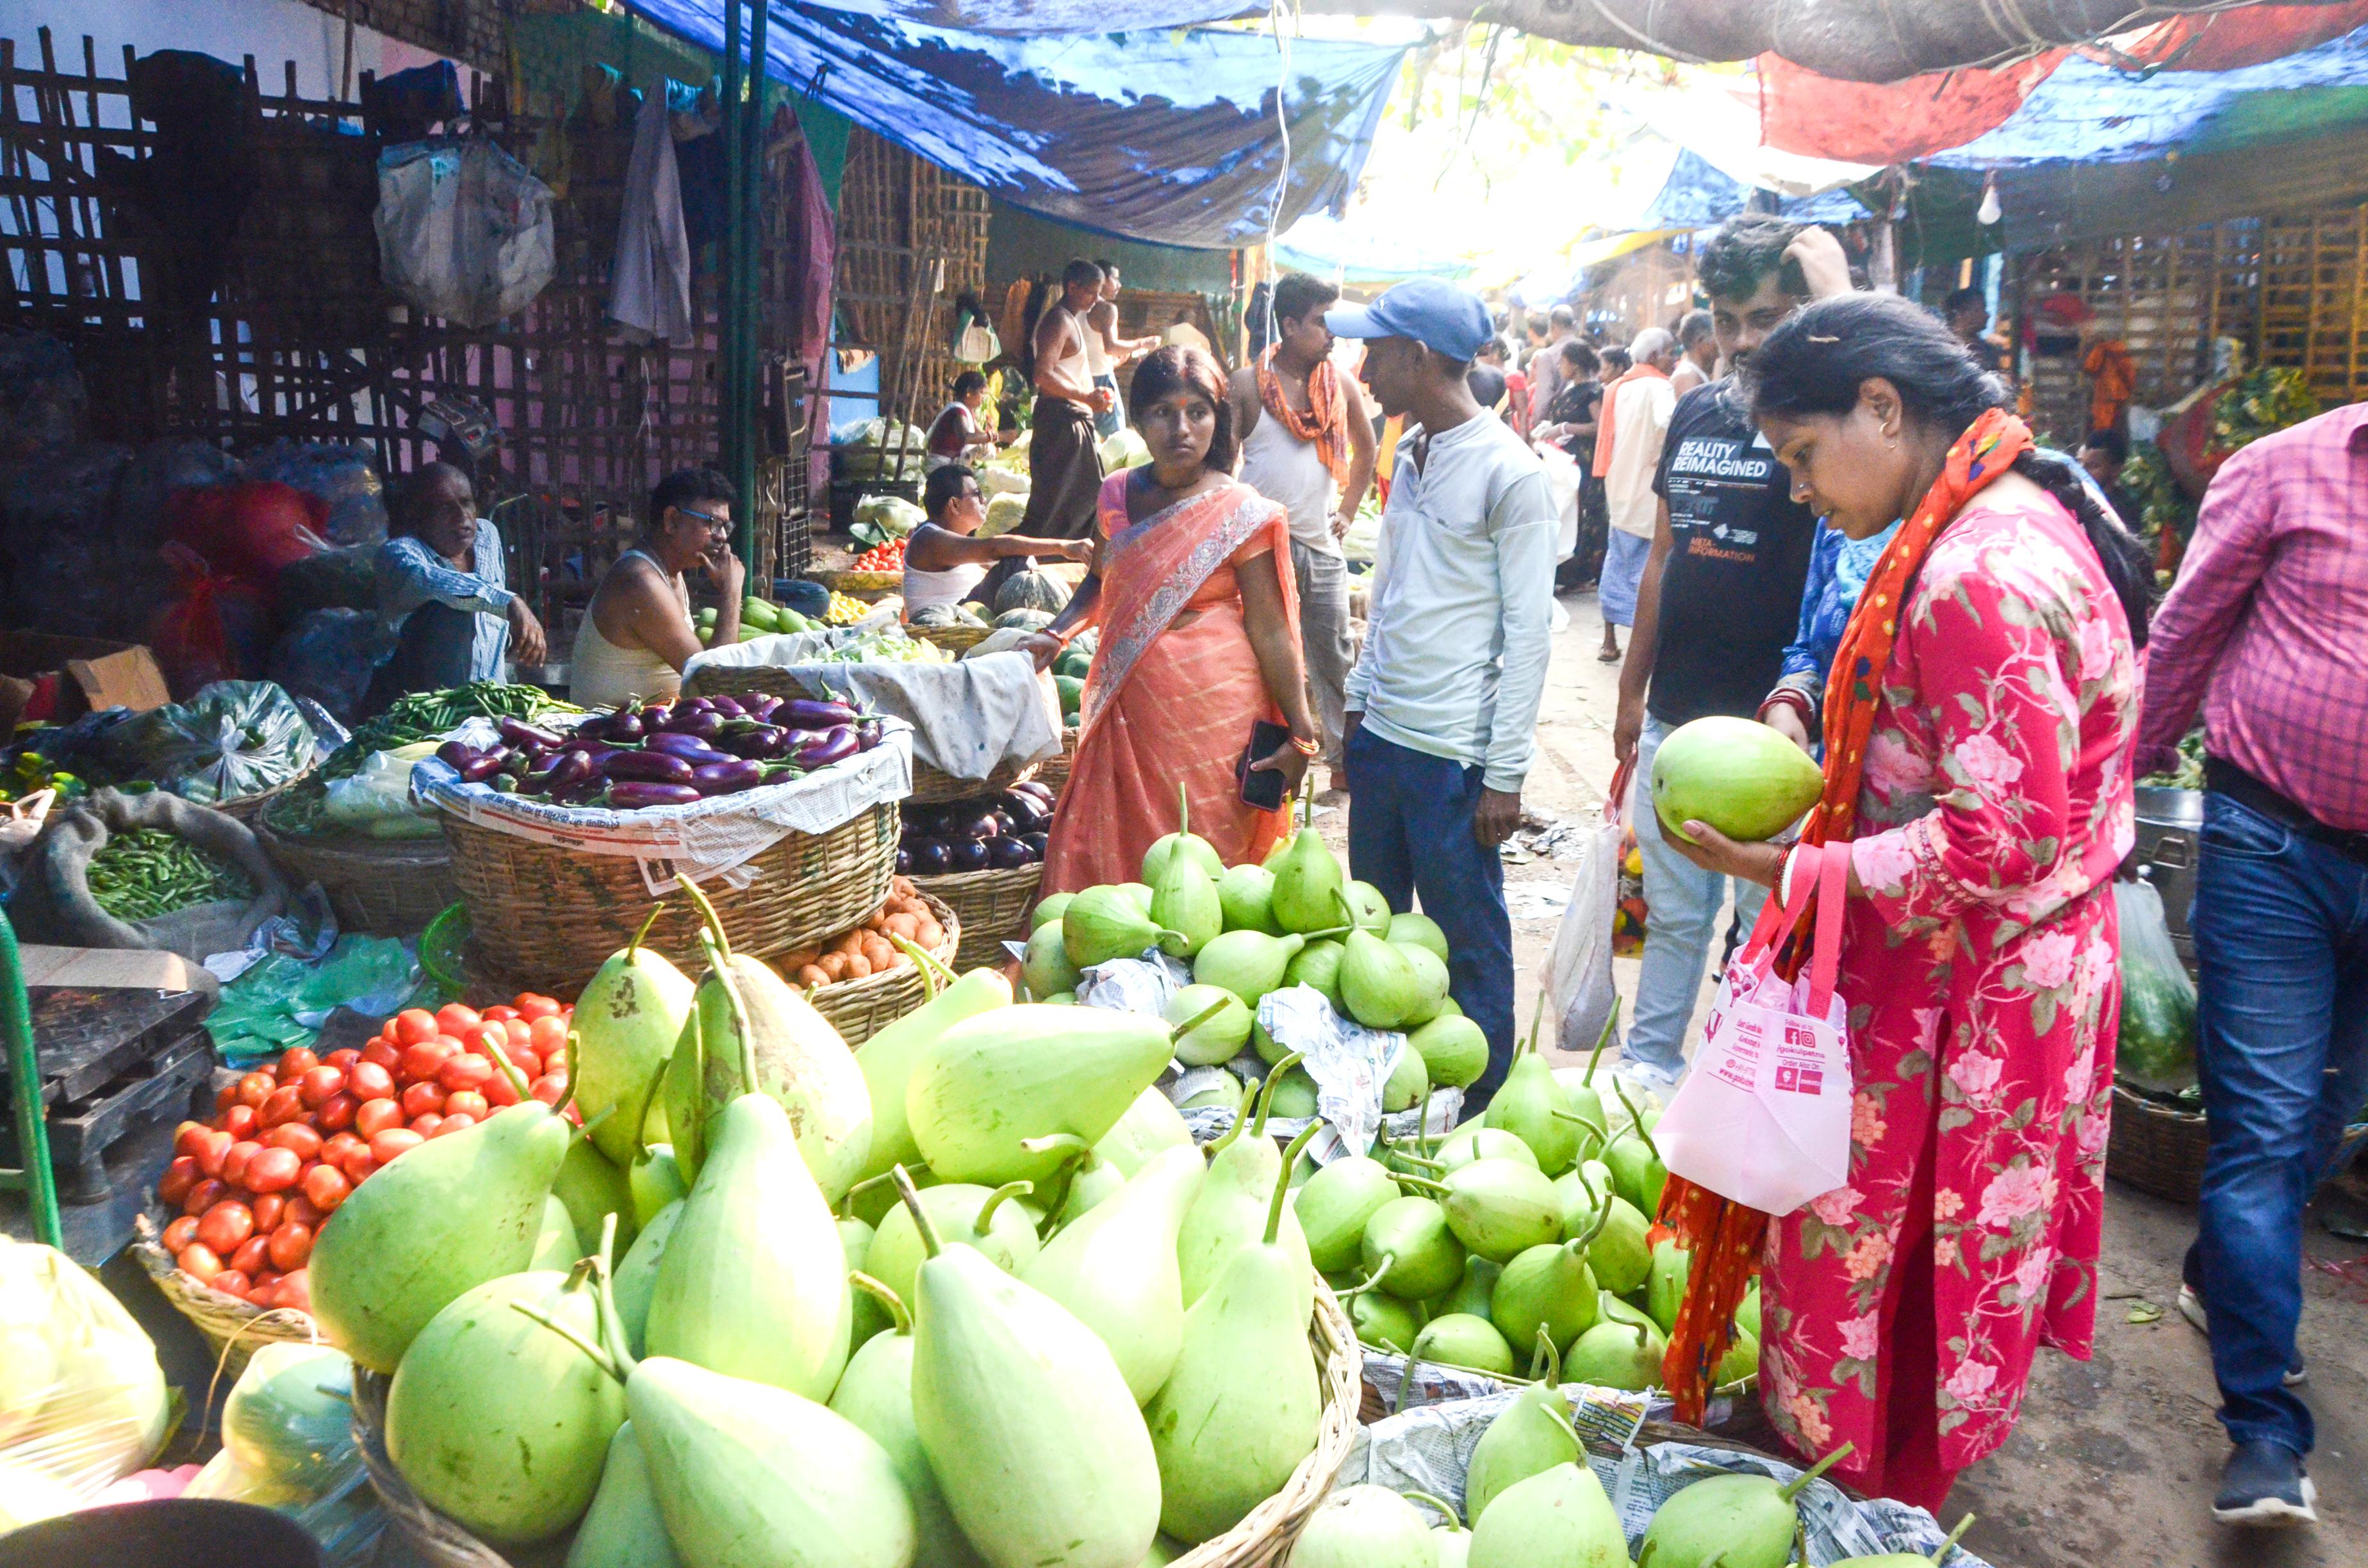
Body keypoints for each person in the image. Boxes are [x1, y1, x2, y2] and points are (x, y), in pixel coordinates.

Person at [1665, 290, 2152, 1511]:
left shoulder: (1975, 574)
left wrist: (1796, 871)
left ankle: (1865, 1496)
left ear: (1881, 408)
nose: (1796, 489)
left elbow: (2007, 831)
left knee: (1893, 1260)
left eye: (1802, 453)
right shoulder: (2013, 511)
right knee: (1916, 1261)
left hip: (1964, 994)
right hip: (2000, 973)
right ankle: (1866, 1473)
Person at [2137, 399, 2368, 1528]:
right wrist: (2117, 789)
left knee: (2331, 1114)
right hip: (2272, 843)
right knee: (2266, 1130)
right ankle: (2266, 1433)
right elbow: (2184, 635)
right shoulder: (2284, 469)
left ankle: (2219, 1272)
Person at [1611, 215, 1849, 1093]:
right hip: (1676, 715)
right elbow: (1664, 556)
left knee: (1765, 921)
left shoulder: (1828, 434)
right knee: (1673, 914)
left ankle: (1732, 1088)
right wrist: (1632, 692)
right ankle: (1647, 1071)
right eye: (1727, 318)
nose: (1743, 340)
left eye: (1765, 318)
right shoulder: (1694, 412)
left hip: (1773, 740)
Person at [1329, 278, 1556, 1113]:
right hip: (1383, 737)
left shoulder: (1511, 474)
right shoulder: (1413, 453)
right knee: (1377, 938)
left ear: (1418, 358)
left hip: (1453, 757)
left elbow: (1530, 635)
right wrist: (1358, 704)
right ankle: (1385, 1092)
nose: (1363, 371)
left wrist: (1506, 775)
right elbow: (1390, 593)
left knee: (1468, 942)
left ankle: (1484, 1103)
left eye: (1375, 353)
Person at [1023, 346, 1317, 889]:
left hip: (1216, 714)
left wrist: (1302, 730)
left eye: (1197, 412)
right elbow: (1101, 580)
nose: (1181, 429)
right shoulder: (1117, 493)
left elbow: (1271, 627)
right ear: (1138, 420)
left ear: (1217, 418)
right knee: (1124, 857)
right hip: (1133, 711)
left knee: (1209, 861)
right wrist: (1056, 633)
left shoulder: (1241, 510)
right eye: (1163, 413)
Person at [1228, 272, 1378, 788]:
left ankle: (1342, 764)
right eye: (1321, 322)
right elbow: (1224, 466)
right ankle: (1263, 759)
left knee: (1334, 655)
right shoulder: (1248, 385)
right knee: (1264, 657)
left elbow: (1366, 449)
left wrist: (1349, 510)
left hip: (1321, 545)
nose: (1331, 334)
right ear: (1290, 325)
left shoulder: (1340, 384)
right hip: (1261, 548)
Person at [372, 462, 546, 705]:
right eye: (445, 507)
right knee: (451, 610)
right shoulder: (396, 557)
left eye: (467, 503)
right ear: (418, 516)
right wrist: (510, 602)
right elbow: (443, 586)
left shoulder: (486, 536)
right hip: (415, 704)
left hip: (482, 704)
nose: (462, 516)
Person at [570, 468, 742, 708]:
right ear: (672, 521)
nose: (722, 536)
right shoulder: (640, 581)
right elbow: (716, 683)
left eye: (725, 526)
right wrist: (731, 592)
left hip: (654, 722)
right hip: (615, 728)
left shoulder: (669, 571)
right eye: (713, 523)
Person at [1003, 261, 1114, 596]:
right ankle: (1015, 568)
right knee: (1054, 507)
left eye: (1099, 293)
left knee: (1082, 501)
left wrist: (1090, 398)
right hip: (1060, 422)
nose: (1096, 300)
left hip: (1071, 419)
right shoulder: (1058, 320)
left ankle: (1058, 573)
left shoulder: (1071, 320)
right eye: (1091, 292)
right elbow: (1043, 374)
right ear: (1072, 287)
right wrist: (1086, 397)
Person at [902, 463, 1094, 619]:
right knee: (1015, 563)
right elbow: (994, 548)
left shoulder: (937, 537)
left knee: (1026, 568)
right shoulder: (930, 540)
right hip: (946, 622)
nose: (984, 500)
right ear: (954, 504)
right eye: (977, 494)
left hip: (958, 615)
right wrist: (1064, 547)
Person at [1593, 328, 1679, 665]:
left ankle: (1609, 640)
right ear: (1655, 356)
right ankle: (1643, 646)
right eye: (1670, 352)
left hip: (1619, 485)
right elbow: (1667, 424)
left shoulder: (1618, 386)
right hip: (1647, 489)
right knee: (1648, 567)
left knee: (1618, 560)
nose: (1674, 359)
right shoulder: (1659, 387)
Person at [1533, 339, 1607, 589]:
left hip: (1581, 461)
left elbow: (1599, 426)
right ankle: (1562, 569)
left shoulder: (1591, 392)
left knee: (1578, 512)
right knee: (1563, 512)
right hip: (1562, 458)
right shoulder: (1569, 389)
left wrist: (1565, 428)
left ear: (1574, 364)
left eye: (1563, 362)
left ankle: (1579, 570)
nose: (1560, 367)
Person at [1085, 259, 1160, 439]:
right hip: (1102, 380)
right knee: (1114, 438)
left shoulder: (1078, 307)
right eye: (1116, 279)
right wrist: (1144, 342)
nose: (1119, 285)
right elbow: (1111, 347)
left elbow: (1093, 350)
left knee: (1088, 434)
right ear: (1102, 280)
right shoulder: (1107, 309)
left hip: (1081, 379)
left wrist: (1114, 363)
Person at [925, 370, 1006, 472]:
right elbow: (965, 437)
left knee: (988, 448)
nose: (983, 398)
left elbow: (981, 434)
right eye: (981, 393)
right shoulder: (958, 411)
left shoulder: (968, 411)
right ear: (969, 393)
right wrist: (1001, 436)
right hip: (942, 466)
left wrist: (993, 444)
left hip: (952, 463)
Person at [2078, 427, 2137, 525]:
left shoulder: (2124, 509)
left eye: (2093, 466)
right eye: (2081, 463)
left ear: (2116, 470)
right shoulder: (2077, 498)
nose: (2083, 471)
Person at [1670, 308, 1718, 397]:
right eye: (1716, 340)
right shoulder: (1689, 377)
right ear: (1701, 340)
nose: (1719, 347)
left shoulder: (1693, 373)